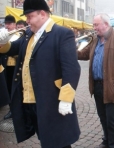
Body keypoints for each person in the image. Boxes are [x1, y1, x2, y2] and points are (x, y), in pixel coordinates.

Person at [0, 0, 81, 147]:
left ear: (42, 14)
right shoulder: (28, 34)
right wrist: (4, 43)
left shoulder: (62, 34)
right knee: (45, 140)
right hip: (32, 102)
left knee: (58, 142)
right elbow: (13, 49)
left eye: (30, 16)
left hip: (52, 100)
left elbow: (72, 69)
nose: (27, 20)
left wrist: (66, 98)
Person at [77, 13, 114, 148]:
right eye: (94, 25)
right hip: (97, 87)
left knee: (113, 121)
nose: (94, 27)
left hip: (112, 88)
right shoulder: (95, 40)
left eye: (96, 24)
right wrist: (70, 48)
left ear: (106, 24)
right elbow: (84, 54)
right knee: (103, 117)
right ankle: (107, 141)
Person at [1, 14, 17, 120]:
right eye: (6, 23)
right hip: (5, 66)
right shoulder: (3, 33)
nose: (7, 26)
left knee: (15, 89)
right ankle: (11, 109)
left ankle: (15, 110)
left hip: (16, 67)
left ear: (14, 24)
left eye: (10, 23)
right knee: (7, 88)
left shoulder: (18, 34)